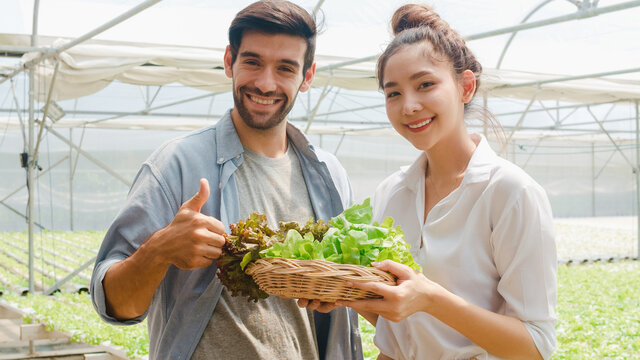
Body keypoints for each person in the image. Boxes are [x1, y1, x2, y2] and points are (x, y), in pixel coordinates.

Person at [89, 1, 363, 359]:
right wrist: (159, 250)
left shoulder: (329, 174)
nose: (266, 83)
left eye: (285, 68)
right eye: (252, 62)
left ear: (307, 76)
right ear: (229, 61)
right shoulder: (176, 164)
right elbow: (113, 304)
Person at [333, 4, 557, 360]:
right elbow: (406, 327)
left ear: (465, 87)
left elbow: (535, 346)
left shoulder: (511, 193)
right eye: (393, 93)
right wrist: (347, 296)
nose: (409, 106)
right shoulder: (391, 193)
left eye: (425, 85)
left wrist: (431, 298)